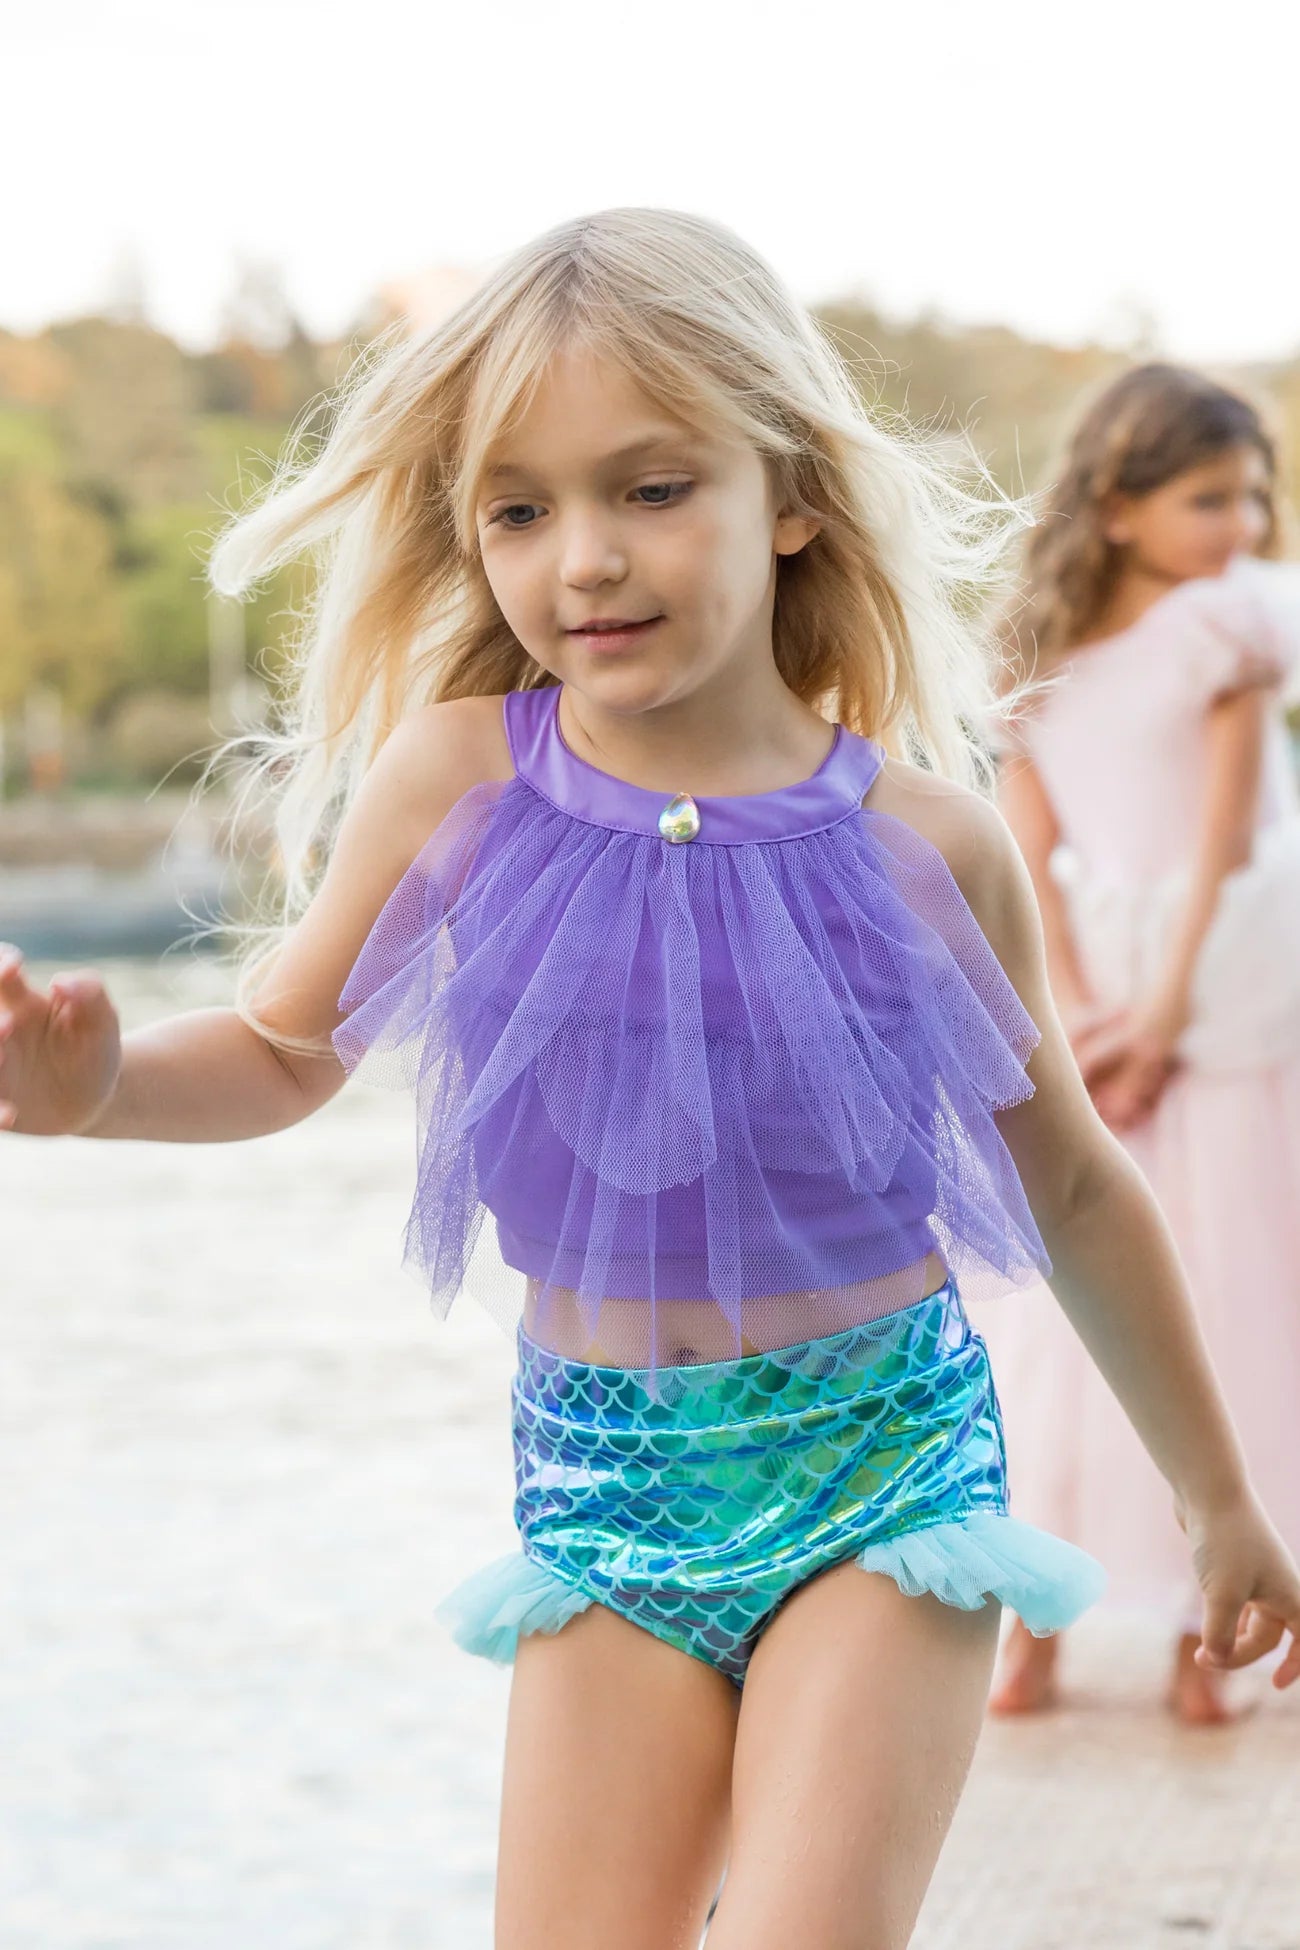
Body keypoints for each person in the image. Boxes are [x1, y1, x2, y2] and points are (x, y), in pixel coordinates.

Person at [1, 217, 1297, 1950]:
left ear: (791, 495)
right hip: (602, 1496)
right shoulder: (462, 782)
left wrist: (1222, 1505)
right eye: (521, 509)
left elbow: (1064, 1183)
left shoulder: (929, 850)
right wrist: (91, 1096)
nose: (584, 559)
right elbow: (280, 1049)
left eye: (652, 488)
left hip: (879, 1475)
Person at [984, 363, 1300, 1728]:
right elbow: (1026, 845)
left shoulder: (1226, 629)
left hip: (1227, 970)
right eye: (1206, 496)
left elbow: (1229, 828)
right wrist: (1070, 999)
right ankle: (1032, 1615)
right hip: (1100, 977)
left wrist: (1167, 1007)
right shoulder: (1035, 655)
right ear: (1113, 505)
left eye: (1253, 497)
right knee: (1053, 1312)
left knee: (1237, 1287)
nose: (1240, 523)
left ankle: (1203, 1621)